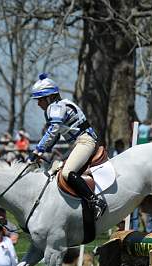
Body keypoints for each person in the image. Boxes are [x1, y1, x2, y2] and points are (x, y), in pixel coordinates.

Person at [28, 73, 106, 219]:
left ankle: (96, 202)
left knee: (66, 172)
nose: (38, 104)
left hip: (85, 142)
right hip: (79, 143)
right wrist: (43, 152)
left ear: (49, 97)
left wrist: (38, 150)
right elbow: (56, 135)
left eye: (39, 100)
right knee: (54, 170)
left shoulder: (56, 107)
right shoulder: (57, 107)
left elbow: (53, 131)